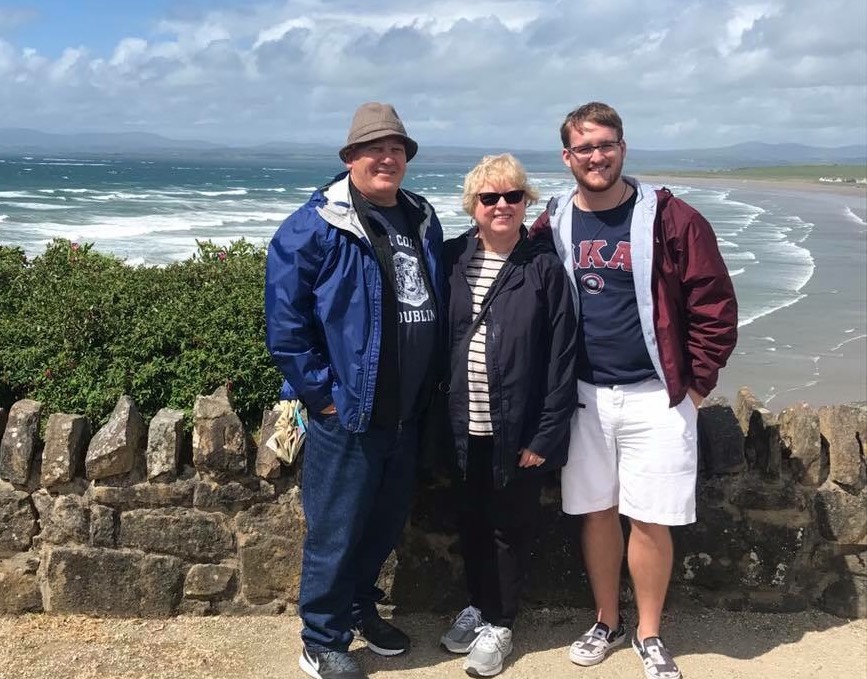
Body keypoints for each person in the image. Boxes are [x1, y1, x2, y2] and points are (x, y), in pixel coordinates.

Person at [530, 102, 737, 679]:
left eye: (606, 144)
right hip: (584, 396)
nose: (597, 156)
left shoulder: (672, 219)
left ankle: (649, 633)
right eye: (584, 147)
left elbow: (714, 306)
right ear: (567, 157)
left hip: (658, 395)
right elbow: (517, 273)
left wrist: (695, 387)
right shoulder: (556, 222)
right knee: (596, 513)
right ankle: (605, 620)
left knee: (651, 519)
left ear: (623, 147)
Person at [265, 102, 445, 679]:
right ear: (350, 159)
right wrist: (323, 397)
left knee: (384, 523)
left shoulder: (421, 218)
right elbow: (286, 327)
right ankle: (321, 639)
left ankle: (360, 609)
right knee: (336, 530)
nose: (386, 157)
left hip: (406, 412)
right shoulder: (315, 225)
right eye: (373, 149)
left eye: (396, 149)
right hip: (349, 413)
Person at [439, 154, 578, 677]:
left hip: (517, 428)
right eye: (489, 198)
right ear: (472, 205)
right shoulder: (452, 259)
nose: (501, 206)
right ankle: (478, 605)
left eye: (512, 196)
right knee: (471, 521)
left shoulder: (542, 268)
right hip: (460, 424)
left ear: (527, 203)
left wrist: (545, 433)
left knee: (508, 528)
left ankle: (500, 622)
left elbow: (563, 358)